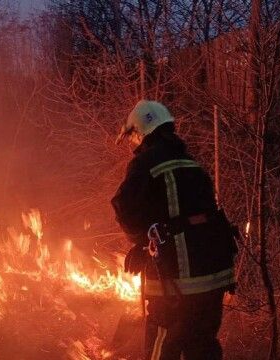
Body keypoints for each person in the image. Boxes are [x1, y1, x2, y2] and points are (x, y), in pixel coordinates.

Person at [112, 100, 238, 360]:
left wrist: (142, 240)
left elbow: (125, 209)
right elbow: (187, 217)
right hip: (214, 278)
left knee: (164, 343)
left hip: (177, 281)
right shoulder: (191, 163)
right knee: (202, 347)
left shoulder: (145, 163)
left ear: (140, 132)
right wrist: (148, 241)